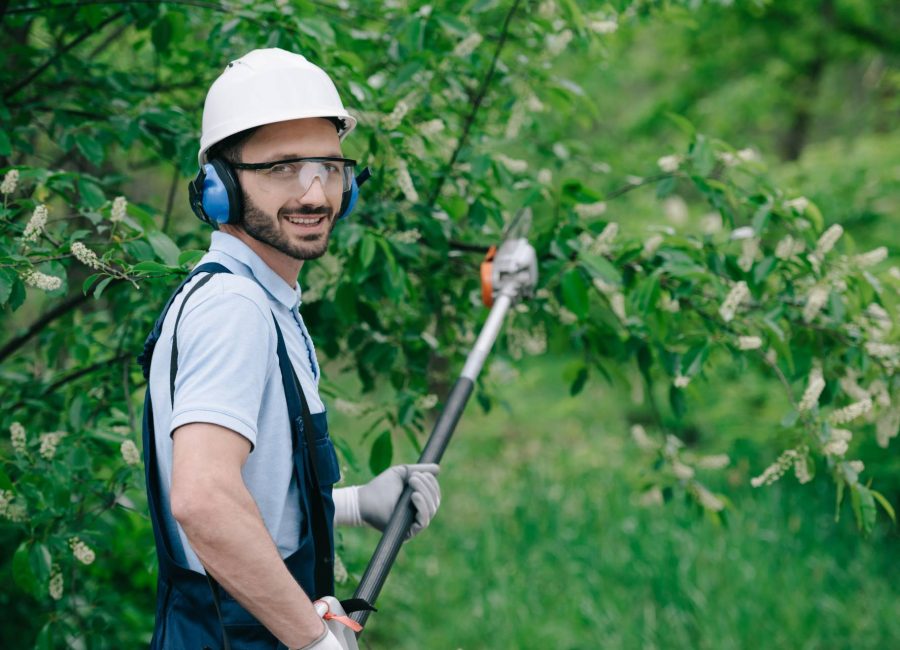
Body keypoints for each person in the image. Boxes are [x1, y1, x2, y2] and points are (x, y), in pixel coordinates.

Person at [138, 48, 441, 650]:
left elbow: (250, 491)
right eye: (281, 168)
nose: (314, 193)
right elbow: (203, 500)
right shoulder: (236, 311)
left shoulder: (258, 298)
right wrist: (313, 640)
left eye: (328, 167)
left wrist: (352, 504)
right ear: (220, 187)